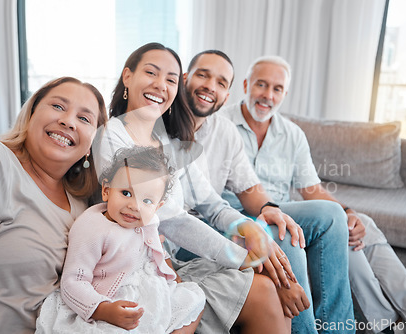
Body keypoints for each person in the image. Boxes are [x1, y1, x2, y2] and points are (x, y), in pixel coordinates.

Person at [220, 55, 406, 334]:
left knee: (359, 225)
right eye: (261, 85)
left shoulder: (292, 134)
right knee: (332, 221)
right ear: (246, 84)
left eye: (277, 89)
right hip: (243, 217)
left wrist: (349, 212)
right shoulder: (222, 124)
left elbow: (311, 189)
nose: (268, 95)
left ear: (285, 94)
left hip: (286, 210)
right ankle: (385, 324)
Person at [92, 42, 292, 334]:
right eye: (151, 72)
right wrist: (239, 256)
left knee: (267, 280)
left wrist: (245, 227)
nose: (160, 85)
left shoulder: (169, 142)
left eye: (171, 79)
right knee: (262, 289)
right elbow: (169, 221)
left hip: (166, 262)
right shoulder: (112, 137)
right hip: (133, 271)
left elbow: (211, 204)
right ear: (127, 77)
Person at [181, 50, 355, 334]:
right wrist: (256, 231)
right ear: (185, 79)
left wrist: (269, 209)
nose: (211, 86)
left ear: (227, 93)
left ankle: (338, 330)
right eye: (203, 75)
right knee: (282, 236)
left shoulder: (223, 130)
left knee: (327, 214)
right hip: (198, 234)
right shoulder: (167, 130)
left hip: (230, 220)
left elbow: (250, 190)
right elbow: (200, 213)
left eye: (221, 82)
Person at [0, 77, 108, 333]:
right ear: (31, 114)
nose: (68, 121)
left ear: (91, 144)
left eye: (85, 119)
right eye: (58, 106)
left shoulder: (84, 205)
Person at [36, 146, 206, 333]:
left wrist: (171, 276)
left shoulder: (148, 222)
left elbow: (157, 249)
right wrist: (103, 310)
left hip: (148, 289)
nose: (135, 206)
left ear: (158, 206)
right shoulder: (92, 228)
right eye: (126, 193)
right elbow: (73, 282)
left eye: (147, 201)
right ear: (107, 191)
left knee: (193, 299)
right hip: (108, 299)